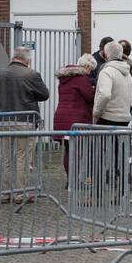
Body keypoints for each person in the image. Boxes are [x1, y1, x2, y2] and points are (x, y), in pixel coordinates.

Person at [0, 46, 50, 204]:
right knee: (22, 157)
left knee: (4, 157)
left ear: (13, 57)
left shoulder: (0, 74)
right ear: (27, 59)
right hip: (24, 120)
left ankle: (4, 194)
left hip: (3, 120)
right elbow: (44, 94)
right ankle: (19, 194)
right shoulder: (31, 74)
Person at [52, 53, 97, 181]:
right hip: (76, 119)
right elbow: (89, 96)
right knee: (77, 151)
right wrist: (94, 89)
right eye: (90, 70)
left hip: (62, 117)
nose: (89, 73)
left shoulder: (65, 78)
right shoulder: (81, 78)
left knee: (68, 150)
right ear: (87, 66)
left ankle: (69, 180)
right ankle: (74, 181)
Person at [93, 40, 132, 127]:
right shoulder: (128, 73)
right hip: (125, 119)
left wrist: (96, 113)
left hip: (107, 118)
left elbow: (105, 94)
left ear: (107, 55)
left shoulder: (106, 72)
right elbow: (130, 99)